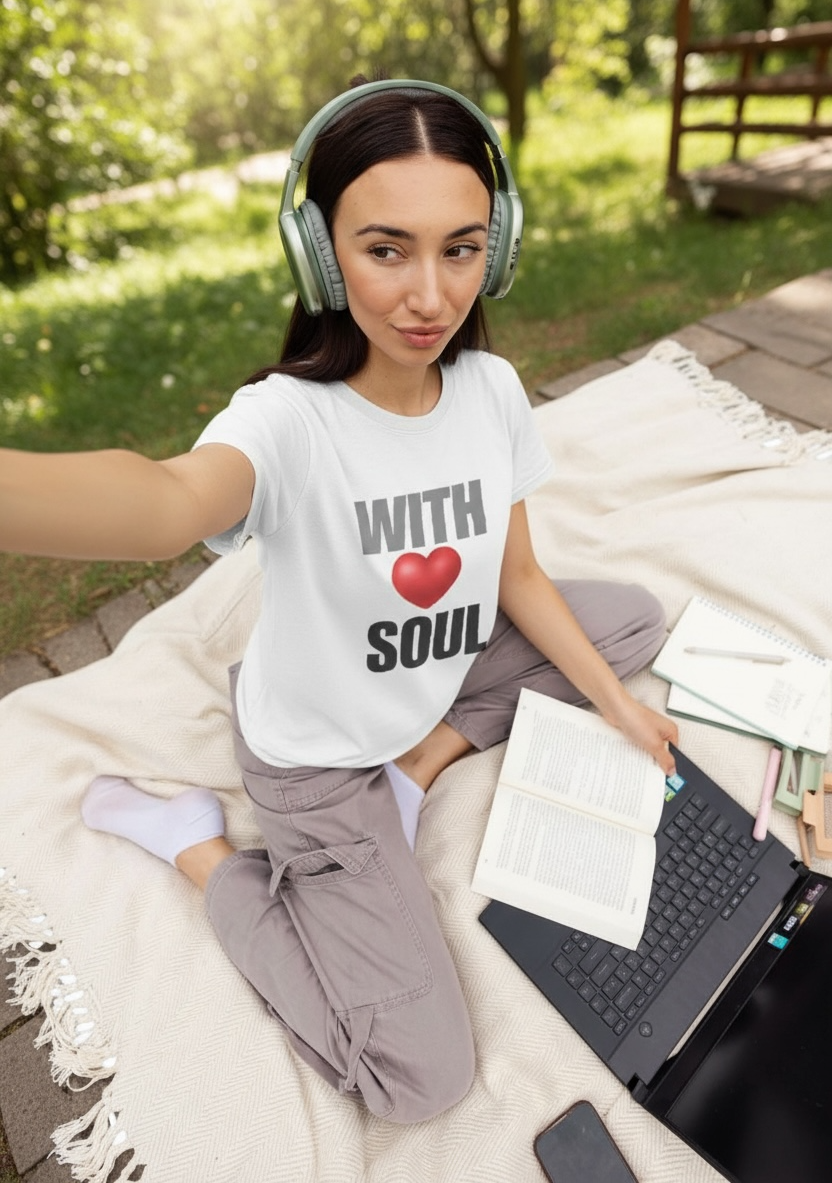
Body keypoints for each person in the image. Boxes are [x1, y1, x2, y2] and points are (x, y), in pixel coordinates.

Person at [0, 78, 678, 1124]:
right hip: (315, 767)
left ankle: (424, 756)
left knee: (627, 618)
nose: (429, 297)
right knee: (421, 1081)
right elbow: (166, 504)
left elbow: (520, 577)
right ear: (320, 253)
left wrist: (621, 708)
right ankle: (199, 848)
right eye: (385, 248)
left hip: (423, 683)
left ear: (497, 248)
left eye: (460, 248)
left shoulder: (490, 391)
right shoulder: (285, 423)